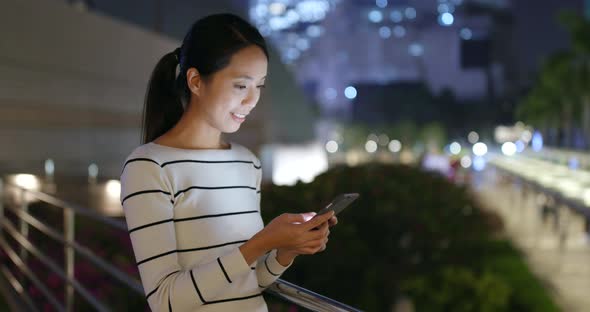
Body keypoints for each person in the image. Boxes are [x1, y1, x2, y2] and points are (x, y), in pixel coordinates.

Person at [119, 13, 337, 312]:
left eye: (259, 86)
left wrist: (285, 251)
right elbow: (166, 300)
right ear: (195, 81)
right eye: (240, 86)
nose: (252, 100)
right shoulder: (149, 167)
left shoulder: (247, 164)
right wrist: (260, 242)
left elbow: (248, 282)